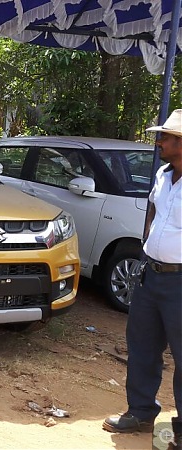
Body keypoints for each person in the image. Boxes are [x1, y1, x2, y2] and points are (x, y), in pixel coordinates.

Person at [103, 108, 182, 448]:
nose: (158, 141)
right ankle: (141, 412)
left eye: (165, 136)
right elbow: (153, 207)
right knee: (142, 347)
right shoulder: (164, 174)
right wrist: (148, 244)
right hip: (152, 276)